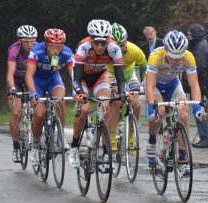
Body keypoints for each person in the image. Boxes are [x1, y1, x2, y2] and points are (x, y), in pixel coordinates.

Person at [146, 30, 205, 176]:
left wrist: (197, 107)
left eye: (179, 58)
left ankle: (183, 157)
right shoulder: (155, 57)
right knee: (159, 113)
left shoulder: (189, 57)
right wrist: (150, 108)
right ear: (166, 50)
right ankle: (152, 142)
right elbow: (150, 86)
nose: (175, 62)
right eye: (172, 58)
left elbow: (194, 85)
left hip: (173, 84)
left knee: (183, 115)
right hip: (156, 86)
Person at [69, 19, 126, 168]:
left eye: (103, 43)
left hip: (99, 77)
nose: (100, 47)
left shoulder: (114, 48)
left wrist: (122, 93)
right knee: (85, 109)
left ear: (108, 40)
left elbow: (120, 77)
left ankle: (106, 152)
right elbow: (77, 78)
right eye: (96, 43)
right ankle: (74, 146)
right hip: (82, 79)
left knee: (105, 106)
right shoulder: (83, 47)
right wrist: (81, 94)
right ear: (90, 39)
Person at [25, 28, 74, 166]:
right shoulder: (37, 51)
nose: (56, 50)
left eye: (59, 46)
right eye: (52, 46)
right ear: (46, 44)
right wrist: (33, 92)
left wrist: (78, 90)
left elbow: (74, 74)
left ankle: (60, 136)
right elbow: (29, 74)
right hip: (37, 82)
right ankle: (35, 144)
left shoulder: (67, 53)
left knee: (60, 101)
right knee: (40, 113)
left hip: (53, 79)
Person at [107, 22, 147, 153]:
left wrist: (144, 85)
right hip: (112, 74)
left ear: (127, 42)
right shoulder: (106, 52)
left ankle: (131, 135)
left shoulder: (135, 51)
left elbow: (145, 69)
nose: (120, 49)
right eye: (116, 46)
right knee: (116, 101)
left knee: (137, 103)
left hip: (129, 76)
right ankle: (112, 135)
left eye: (122, 45)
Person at [7, 25, 37, 162]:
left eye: (32, 41)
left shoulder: (38, 48)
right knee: (15, 112)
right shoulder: (14, 50)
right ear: (20, 41)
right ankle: (15, 146)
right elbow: (10, 73)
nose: (30, 44)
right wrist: (12, 88)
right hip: (17, 82)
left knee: (38, 108)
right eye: (26, 41)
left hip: (32, 80)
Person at [181, 24, 208, 148]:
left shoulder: (200, 48)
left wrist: (187, 78)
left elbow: (198, 68)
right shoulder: (201, 46)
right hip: (201, 84)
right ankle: (205, 137)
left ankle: (207, 138)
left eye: (190, 35)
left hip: (200, 85)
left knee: (201, 109)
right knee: (200, 109)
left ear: (195, 36)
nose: (188, 37)